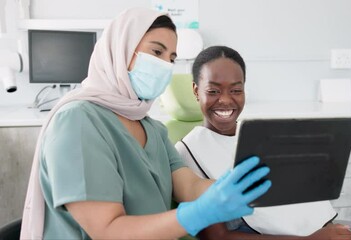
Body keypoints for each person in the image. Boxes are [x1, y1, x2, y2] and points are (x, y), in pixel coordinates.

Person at [20, 8, 272, 239]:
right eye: (156, 52)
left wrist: (233, 187)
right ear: (120, 50)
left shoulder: (152, 129)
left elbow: (190, 186)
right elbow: (108, 231)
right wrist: (195, 215)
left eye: (172, 58)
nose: (164, 65)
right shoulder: (78, 120)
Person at [175, 46, 351, 240]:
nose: (226, 100)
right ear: (196, 91)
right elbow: (218, 237)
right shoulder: (188, 152)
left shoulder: (261, 136)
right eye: (213, 91)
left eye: (236, 90)